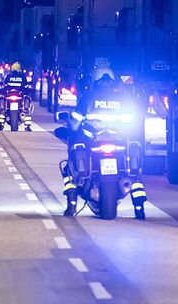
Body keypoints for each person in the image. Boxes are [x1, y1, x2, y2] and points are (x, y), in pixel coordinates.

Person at [61, 67, 147, 219]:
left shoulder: (88, 97)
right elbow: (134, 122)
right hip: (119, 141)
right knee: (134, 175)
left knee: (69, 166)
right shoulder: (123, 98)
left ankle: (71, 205)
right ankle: (139, 209)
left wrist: (71, 130)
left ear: (95, 81)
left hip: (92, 140)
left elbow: (75, 123)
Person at [0, 62, 33, 131]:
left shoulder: (8, 76)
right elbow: (26, 86)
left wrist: (0, 90)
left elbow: (4, 85)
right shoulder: (22, 76)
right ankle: (27, 126)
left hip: (9, 97)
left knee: (2, 105)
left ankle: (1, 124)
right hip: (19, 96)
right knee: (26, 106)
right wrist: (30, 90)